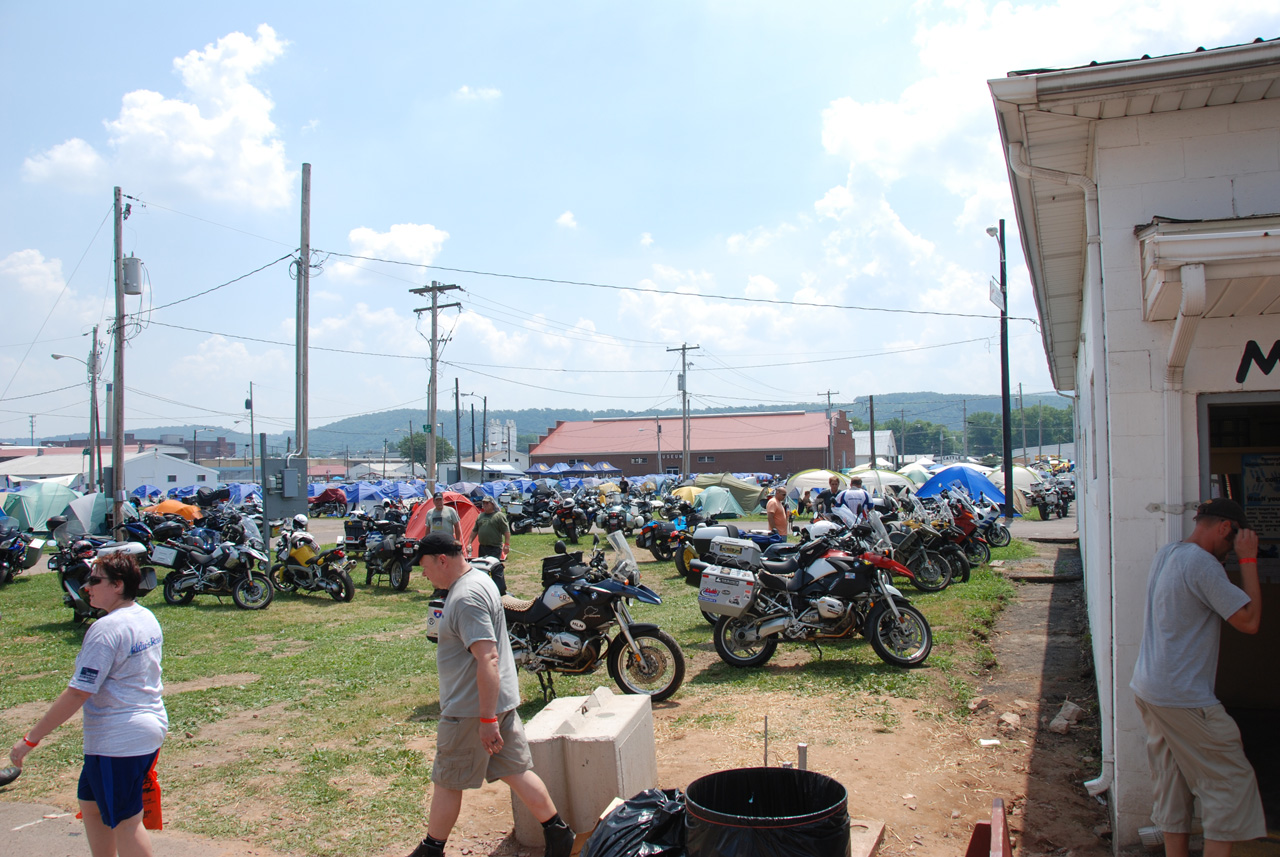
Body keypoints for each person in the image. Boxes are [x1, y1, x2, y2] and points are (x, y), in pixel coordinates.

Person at [407, 534, 574, 857]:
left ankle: (431, 849)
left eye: (425, 567)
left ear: (442, 559)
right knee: (516, 771)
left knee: (448, 779)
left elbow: (488, 658)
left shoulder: (466, 598)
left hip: (472, 710)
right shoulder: (479, 580)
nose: (424, 575)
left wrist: (485, 719)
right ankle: (558, 833)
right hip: (497, 702)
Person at [1130, 498, 1264, 857]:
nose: (1231, 550)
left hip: (1149, 686)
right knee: (1231, 782)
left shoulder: (1168, 553)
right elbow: (1249, 621)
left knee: (1172, 780)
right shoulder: (1204, 565)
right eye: (1232, 541)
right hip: (1182, 696)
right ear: (1225, 528)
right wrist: (1249, 559)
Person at [10, 552, 168, 857]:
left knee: (126, 821)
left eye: (95, 580)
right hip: (143, 729)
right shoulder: (144, 616)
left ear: (118, 585)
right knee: (92, 804)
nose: (86, 587)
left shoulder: (106, 630)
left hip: (118, 739)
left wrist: (31, 738)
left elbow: (77, 693)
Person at [469, 496, 510, 561]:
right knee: (483, 566)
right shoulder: (480, 516)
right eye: (484, 503)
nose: (485, 505)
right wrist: (469, 543)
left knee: (492, 566)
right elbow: (475, 530)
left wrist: (507, 545)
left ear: (492, 504)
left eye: (487, 503)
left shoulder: (499, 516)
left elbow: (506, 531)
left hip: (495, 548)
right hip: (482, 547)